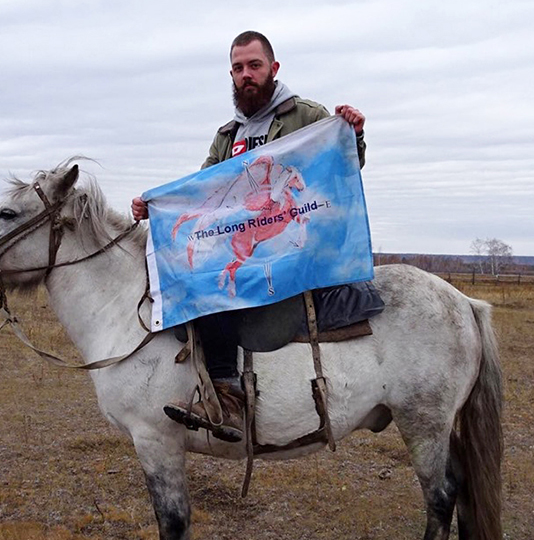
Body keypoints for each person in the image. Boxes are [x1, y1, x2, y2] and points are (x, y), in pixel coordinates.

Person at [131, 31, 366, 442]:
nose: (246, 75)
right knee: (199, 282)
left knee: (219, 291)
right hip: (246, 246)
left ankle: (228, 397)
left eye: (254, 66)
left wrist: (354, 133)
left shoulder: (306, 117)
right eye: (238, 69)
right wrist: (155, 205)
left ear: (273, 69)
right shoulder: (227, 136)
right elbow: (203, 190)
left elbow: (340, 163)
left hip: (292, 245)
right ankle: (215, 386)